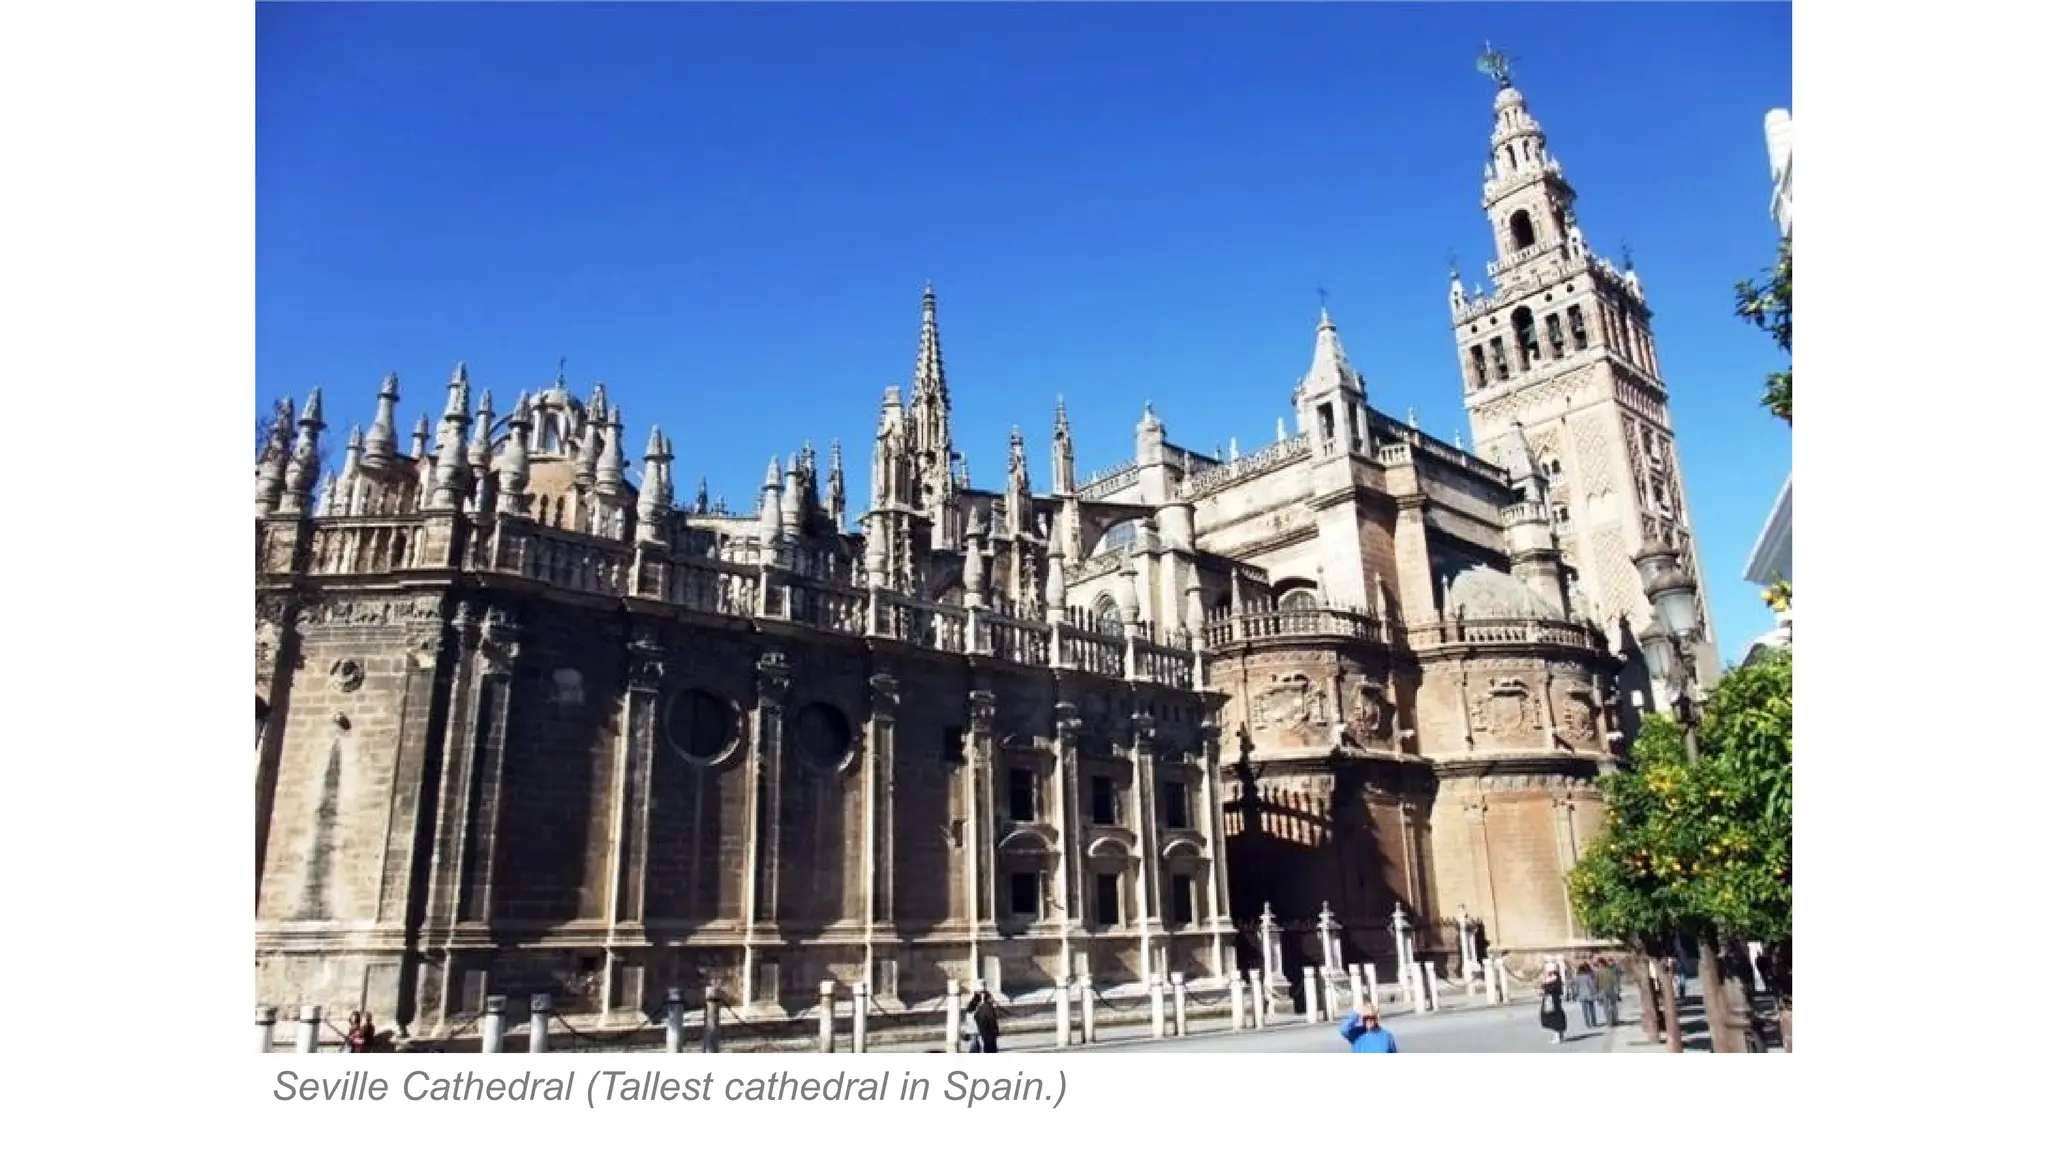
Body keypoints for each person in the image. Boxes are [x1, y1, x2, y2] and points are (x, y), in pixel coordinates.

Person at [1538, 963, 1569, 1044]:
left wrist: (1546, 984)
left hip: (1552, 1001)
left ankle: (1558, 1036)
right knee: (1554, 1018)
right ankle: (1559, 1035)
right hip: (1553, 1001)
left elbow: (1550, 990)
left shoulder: (1554, 980)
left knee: (1554, 1018)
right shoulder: (1555, 979)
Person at [964, 989, 1000, 1054]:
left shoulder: (971, 1006)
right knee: (977, 1047)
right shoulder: (982, 1007)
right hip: (980, 1030)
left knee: (974, 1046)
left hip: (972, 1029)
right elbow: (990, 1020)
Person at [1597, 958, 1623, 1028]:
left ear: (1600, 964)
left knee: (1606, 1007)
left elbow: (1596, 983)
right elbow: (1615, 981)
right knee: (1613, 1005)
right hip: (1611, 989)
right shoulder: (1610, 971)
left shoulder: (1598, 972)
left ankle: (1609, 1021)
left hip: (1603, 990)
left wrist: (1597, 992)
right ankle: (1615, 1020)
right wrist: (1617, 990)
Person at [1573, 963, 1600, 1029]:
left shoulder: (1577, 978)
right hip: (1589, 994)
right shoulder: (1588, 976)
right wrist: (1595, 993)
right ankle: (1594, 1022)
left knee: (1584, 1011)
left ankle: (1587, 1024)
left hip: (1581, 995)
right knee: (1592, 1009)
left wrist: (1575, 994)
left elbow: (1576, 987)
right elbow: (1591, 986)